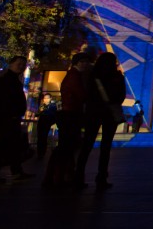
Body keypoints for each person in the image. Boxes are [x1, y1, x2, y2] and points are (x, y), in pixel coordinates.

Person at [75, 51, 126, 190]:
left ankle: (78, 176)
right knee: (106, 146)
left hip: (94, 112)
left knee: (87, 145)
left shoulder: (92, 76)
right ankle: (101, 177)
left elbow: (86, 94)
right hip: (110, 114)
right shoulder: (117, 76)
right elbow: (121, 95)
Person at [44, 52, 91, 188]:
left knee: (66, 147)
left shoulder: (74, 75)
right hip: (70, 114)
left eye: (86, 62)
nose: (85, 64)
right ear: (76, 63)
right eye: (82, 62)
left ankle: (58, 177)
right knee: (66, 147)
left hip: (70, 113)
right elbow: (81, 95)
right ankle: (58, 177)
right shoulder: (74, 76)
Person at [0, 55, 33, 183]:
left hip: (10, 118)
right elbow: (2, 101)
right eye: (19, 64)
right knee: (3, 146)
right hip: (6, 119)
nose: (22, 67)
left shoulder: (12, 79)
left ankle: (14, 170)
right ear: (11, 64)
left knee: (12, 146)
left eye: (24, 65)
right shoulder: (7, 80)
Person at [35, 92, 58, 159]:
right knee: (40, 137)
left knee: (43, 137)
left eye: (47, 98)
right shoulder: (42, 106)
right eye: (45, 98)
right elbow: (37, 114)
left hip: (46, 123)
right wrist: (40, 111)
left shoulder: (53, 106)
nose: (46, 99)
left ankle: (41, 153)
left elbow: (54, 115)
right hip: (41, 122)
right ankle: (40, 153)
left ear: (50, 99)